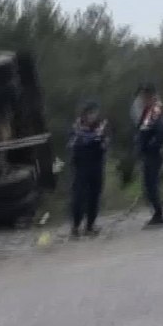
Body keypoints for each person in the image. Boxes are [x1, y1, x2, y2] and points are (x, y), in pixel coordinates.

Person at [67, 100, 109, 237]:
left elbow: (105, 145)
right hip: (81, 167)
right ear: (83, 115)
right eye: (89, 113)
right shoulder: (76, 128)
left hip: (96, 166)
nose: (92, 116)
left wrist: (101, 140)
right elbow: (72, 146)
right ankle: (75, 226)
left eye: (94, 113)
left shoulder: (101, 128)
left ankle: (90, 225)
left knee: (94, 197)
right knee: (79, 197)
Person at [136, 84, 163, 227]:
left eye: (144, 96)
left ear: (150, 96)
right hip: (147, 152)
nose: (142, 100)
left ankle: (158, 213)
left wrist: (152, 145)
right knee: (149, 184)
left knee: (151, 184)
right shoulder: (147, 111)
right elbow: (143, 129)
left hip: (153, 154)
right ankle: (159, 211)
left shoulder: (155, 110)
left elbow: (162, 130)